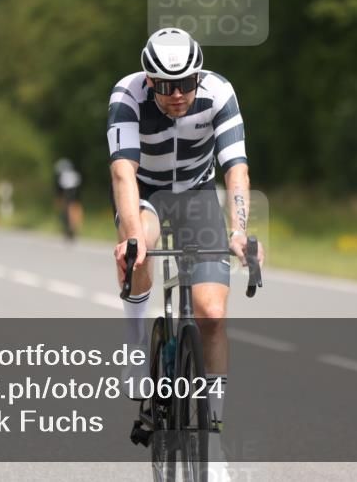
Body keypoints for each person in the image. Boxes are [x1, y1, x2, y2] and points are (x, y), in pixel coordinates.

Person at [107, 28, 264, 435]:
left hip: (197, 193)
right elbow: (123, 173)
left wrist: (239, 231)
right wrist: (132, 238)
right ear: (149, 80)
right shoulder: (127, 96)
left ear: (199, 75)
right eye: (165, 85)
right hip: (147, 193)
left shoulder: (219, 93)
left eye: (186, 83)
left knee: (211, 312)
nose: (177, 94)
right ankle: (135, 346)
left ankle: (214, 423)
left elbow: (236, 169)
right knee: (139, 246)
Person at [53, 158, 83, 241]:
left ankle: (68, 229)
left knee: (66, 212)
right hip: (76, 196)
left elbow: (59, 190)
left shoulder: (62, 176)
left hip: (68, 196)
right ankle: (75, 229)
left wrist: (59, 199)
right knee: (75, 211)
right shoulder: (75, 174)